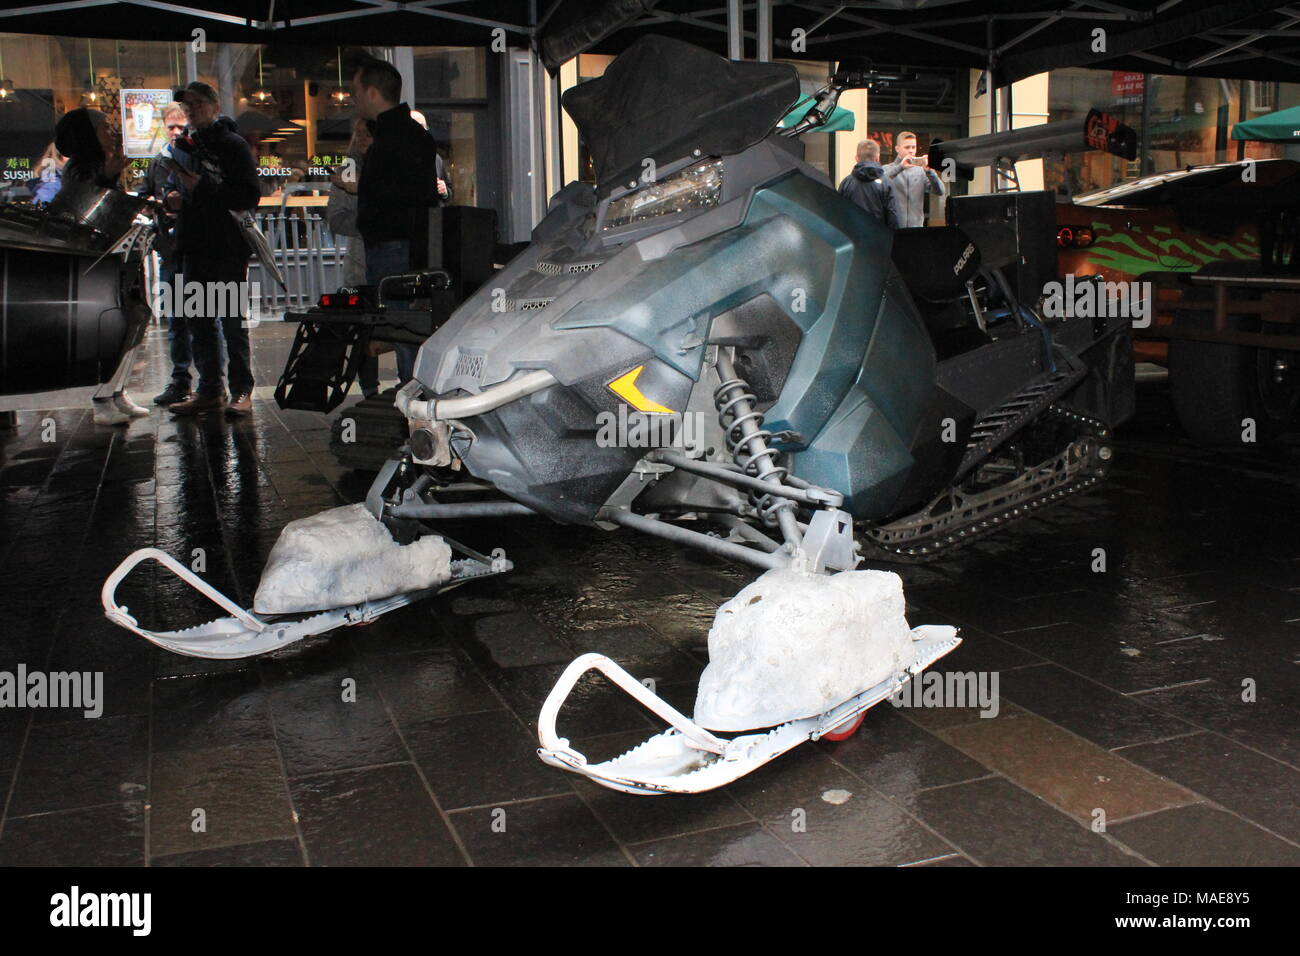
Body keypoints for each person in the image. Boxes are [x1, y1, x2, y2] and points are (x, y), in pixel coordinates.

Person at [164, 81, 261, 417]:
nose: (191, 110)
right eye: (186, 106)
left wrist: (202, 187)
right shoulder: (181, 146)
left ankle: (241, 389)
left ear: (214, 107)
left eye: (197, 104)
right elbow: (170, 186)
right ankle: (210, 388)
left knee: (232, 320)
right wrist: (172, 198)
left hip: (226, 246)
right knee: (199, 320)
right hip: (193, 245)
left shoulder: (233, 145)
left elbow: (248, 195)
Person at [53, 107, 149, 426]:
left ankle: (115, 391)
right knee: (107, 327)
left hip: (117, 257)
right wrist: (108, 175)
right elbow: (87, 208)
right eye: (102, 127)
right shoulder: (83, 167)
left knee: (129, 323)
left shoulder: (97, 163)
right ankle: (102, 397)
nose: (110, 131)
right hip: (101, 262)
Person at [351, 56, 438, 383]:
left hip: (395, 248)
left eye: (356, 91)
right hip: (406, 246)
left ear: (373, 93)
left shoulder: (393, 137)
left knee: (403, 332)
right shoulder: (408, 134)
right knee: (406, 331)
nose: (353, 98)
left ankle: (412, 406)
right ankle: (413, 400)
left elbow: (394, 197)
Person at [139, 104, 203, 406]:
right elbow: (144, 195)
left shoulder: (196, 157)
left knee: (204, 316)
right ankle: (181, 380)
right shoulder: (159, 161)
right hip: (171, 247)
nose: (176, 132)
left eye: (181, 126)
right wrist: (158, 202)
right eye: (171, 127)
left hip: (197, 246)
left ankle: (209, 383)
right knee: (177, 319)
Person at [326, 116, 380, 398]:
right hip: (360, 265)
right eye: (357, 134)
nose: (360, 139)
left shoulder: (389, 167)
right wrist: (368, 222)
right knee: (363, 328)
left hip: (393, 263)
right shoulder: (347, 169)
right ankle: (369, 389)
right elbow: (335, 218)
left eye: (366, 134)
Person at [883, 131, 948, 228]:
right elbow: (880, 183)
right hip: (893, 229)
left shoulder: (921, 171)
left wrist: (930, 172)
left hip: (916, 228)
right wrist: (900, 167)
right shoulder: (887, 168)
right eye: (907, 147)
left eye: (913, 147)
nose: (911, 151)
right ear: (897, 149)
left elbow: (940, 191)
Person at [838, 139, 900, 229]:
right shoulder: (887, 183)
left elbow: (840, 213)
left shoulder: (846, 183)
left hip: (854, 237)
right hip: (879, 237)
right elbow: (893, 215)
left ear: (857, 158)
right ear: (878, 157)